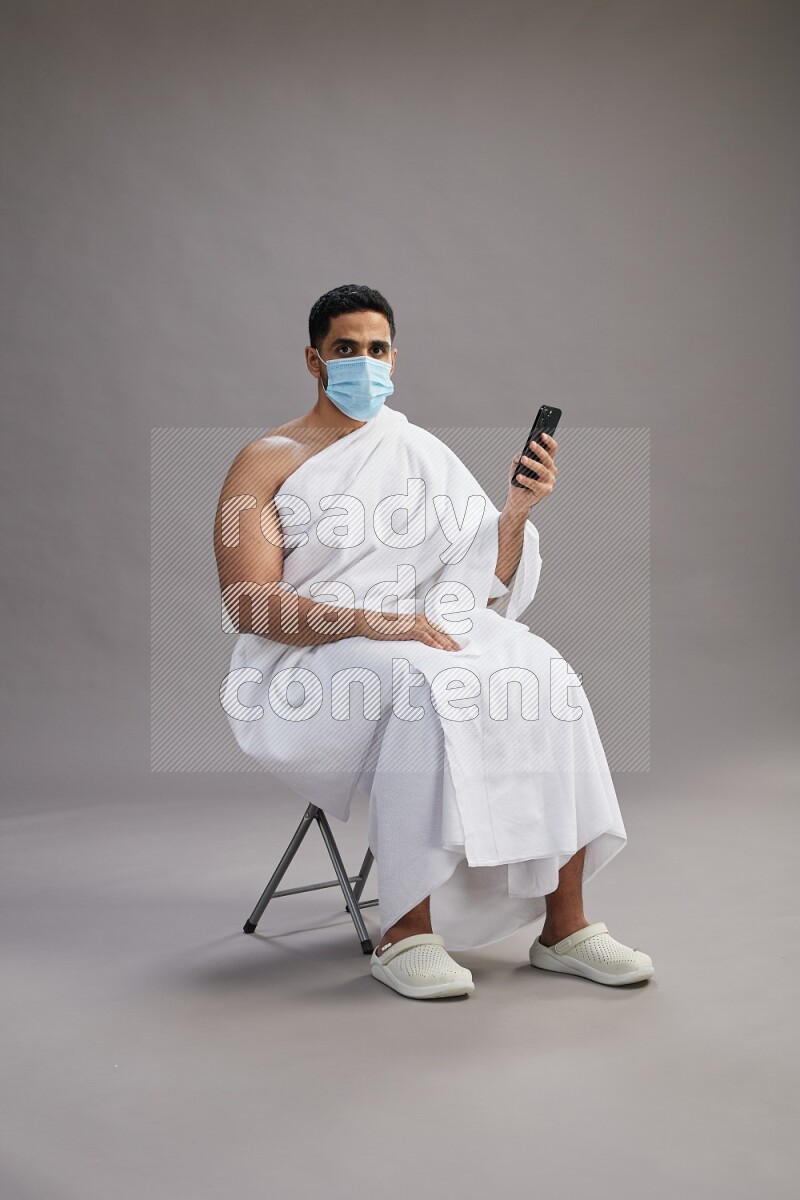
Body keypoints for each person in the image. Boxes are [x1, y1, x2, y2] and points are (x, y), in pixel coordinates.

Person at [214, 283, 654, 1000]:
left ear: (396, 357)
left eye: (376, 348)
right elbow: (250, 604)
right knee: (422, 685)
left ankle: (564, 927)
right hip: (307, 658)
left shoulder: (416, 450)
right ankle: (406, 931)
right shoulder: (265, 460)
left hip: (418, 629)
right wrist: (376, 622)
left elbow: (480, 584)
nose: (364, 362)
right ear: (313, 358)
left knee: (544, 669)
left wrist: (515, 512)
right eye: (345, 349)